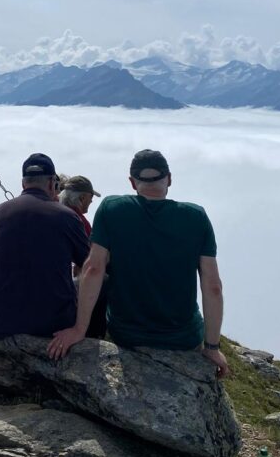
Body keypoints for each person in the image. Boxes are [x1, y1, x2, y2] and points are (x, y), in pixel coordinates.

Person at [48, 150, 231, 379]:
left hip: (127, 335)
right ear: (170, 179)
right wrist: (212, 348)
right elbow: (213, 286)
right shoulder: (196, 217)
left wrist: (79, 330)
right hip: (183, 338)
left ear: (133, 183)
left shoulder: (112, 209)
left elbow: (93, 270)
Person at [0, 153, 90, 338]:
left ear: (23, 183)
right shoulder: (68, 217)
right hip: (54, 325)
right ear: (52, 184)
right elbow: (87, 266)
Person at [59, 175, 107, 339]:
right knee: (103, 282)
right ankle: (94, 337)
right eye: (90, 198)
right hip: (65, 285)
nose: (91, 202)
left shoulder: (54, 211)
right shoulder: (77, 219)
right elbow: (88, 259)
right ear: (82, 197)